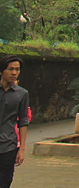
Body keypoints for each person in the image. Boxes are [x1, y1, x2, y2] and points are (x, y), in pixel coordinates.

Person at [0, 55, 28, 188]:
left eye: (17, 70)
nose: (14, 73)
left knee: (5, 181)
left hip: (8, 146)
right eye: (10, 69)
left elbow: (23, 120)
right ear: (1, 71)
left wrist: (21, 149)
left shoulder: (22, 94)